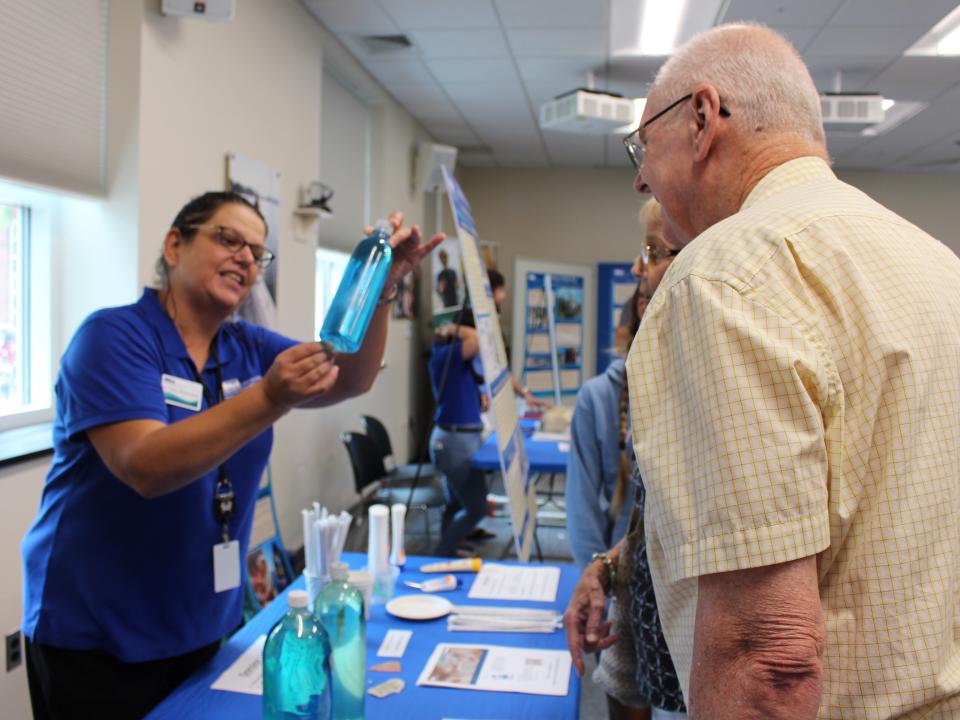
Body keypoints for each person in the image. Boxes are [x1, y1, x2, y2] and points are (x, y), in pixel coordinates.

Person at [625, 23, 960, 718]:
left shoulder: (721, 277)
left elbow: (765, 659)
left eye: (642, 143)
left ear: (700, 118)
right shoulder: (937, 264)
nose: (640, 175)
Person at [20, 191, 441, 719]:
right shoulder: (113, 337)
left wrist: (381, 289)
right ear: (175, 245)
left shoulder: (244, 345)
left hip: (202, 621)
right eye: (228, 238)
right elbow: (144, 466)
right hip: (100, 634)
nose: (246, 257)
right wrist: (268, 398)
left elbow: (349, 376)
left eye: (258, 252)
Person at [565, 199, 685, 720]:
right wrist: (602, 567)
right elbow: (634, 512)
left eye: (654, 252)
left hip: (688, 613)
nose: (639, 266)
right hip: (636, 588)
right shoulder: (629, 388)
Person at [428, 308, 489, 557]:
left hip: (460, 439)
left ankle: (449, 547)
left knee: (455, 503)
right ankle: (443, 551)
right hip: (454, 442)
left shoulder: (457, 361)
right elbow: (480, 340)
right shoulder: (445, 355)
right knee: (476, 508)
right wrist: (454, 329)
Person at [487, 267, 548, 410]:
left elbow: (500, 370)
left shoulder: (492, 324)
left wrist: (525, 393)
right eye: (501, 289)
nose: (504, 296)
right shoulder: (476, 330)